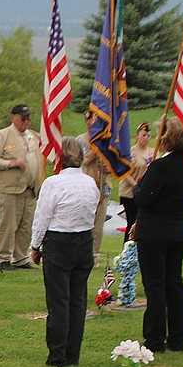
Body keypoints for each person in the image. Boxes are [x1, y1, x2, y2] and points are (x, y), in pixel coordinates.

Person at [30, 137, 100, 367]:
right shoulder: (90, 183)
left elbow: (43, 217)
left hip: (60, 240)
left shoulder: (53, 184)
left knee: (59, 300)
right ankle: (73, 353)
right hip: (83, 239)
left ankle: (58, 354)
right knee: (77, 300)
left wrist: (35, 245)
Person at [132, 118, 183, 353]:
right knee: (173, 284)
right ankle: (177, 337)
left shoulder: (160, 167)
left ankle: (155, 338)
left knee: (156, 285)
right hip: (176, 230)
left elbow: (144, 198)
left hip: (155, 232)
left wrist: (139, 186)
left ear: (166, 138)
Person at [0, 103, 40, 270]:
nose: (26, 122)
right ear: (13, 117)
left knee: (26, 225)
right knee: (8, 224)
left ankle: (20, 257)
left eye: (28, 118)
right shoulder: (3, 135)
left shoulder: (32, 136)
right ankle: (3, 257)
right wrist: (11, 163)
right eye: (22, 118)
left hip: (29, 188)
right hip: (10, 188)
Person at [76, 109, 111, 258]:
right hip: (86, 185)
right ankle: (82, 253)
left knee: (98, 223)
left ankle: (95, 254)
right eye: (90, 120)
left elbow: (112, 164)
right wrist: (97, 147)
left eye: (95, 120)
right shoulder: (80, 140)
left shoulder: (105, 141)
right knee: (84, 221)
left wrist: (107, 168)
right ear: (86, 121)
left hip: (102, 186)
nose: (92, 123)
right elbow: (84, 159)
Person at [119, 121, 153, 244]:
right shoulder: (130, 152)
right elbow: (124, 172)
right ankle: (127, 249)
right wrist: (136, 185)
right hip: (130, 193)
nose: (146, 138)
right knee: (132, 221)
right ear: (137, 135)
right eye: (144, 135)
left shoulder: (152, 152)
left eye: (148, 136)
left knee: (144, 223)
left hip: (146, 192)